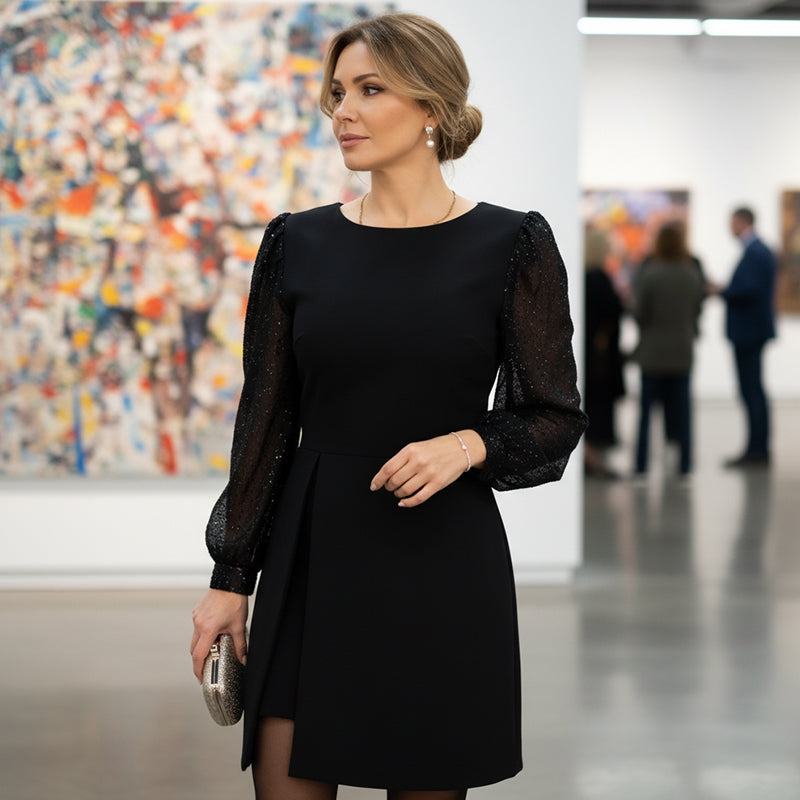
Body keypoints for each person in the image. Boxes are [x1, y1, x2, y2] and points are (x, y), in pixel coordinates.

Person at [190, 13, 587, 800]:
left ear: (431, 106)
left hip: (441, 562)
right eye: (338, 92)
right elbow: (264, 422)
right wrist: (230, 577)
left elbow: (554, 416)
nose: (344, 111)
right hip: (312, 554)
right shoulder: (296, 243)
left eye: (370, 90)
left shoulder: (512, 244)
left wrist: (467, 443)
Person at [632, 222, 705, 478]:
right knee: (683, 413)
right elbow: (697, 309)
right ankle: (685, 467)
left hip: (652, 354)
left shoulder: (651, 273)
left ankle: (641, 467)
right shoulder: (691, 274)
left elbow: (640, 314)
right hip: (682, 353)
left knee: (645, 415)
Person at [712, 207, 777, 468]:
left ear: (742, 222)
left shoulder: (756, 251)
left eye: (732, 222)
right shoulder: (757, 250)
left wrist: (722, 291)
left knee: (752, 391)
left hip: (750, 332)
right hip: (751, 331)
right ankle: (756, 448)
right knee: (752, 390)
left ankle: (757, 451)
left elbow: (748, 290)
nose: (730, 228)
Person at [583, 228, 625, 479]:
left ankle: (591, 458)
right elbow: (612, 311)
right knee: (597, 407)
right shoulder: (598, 278)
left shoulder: (586, 277)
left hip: (592, 354)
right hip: (600, 357)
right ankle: (592, 459)